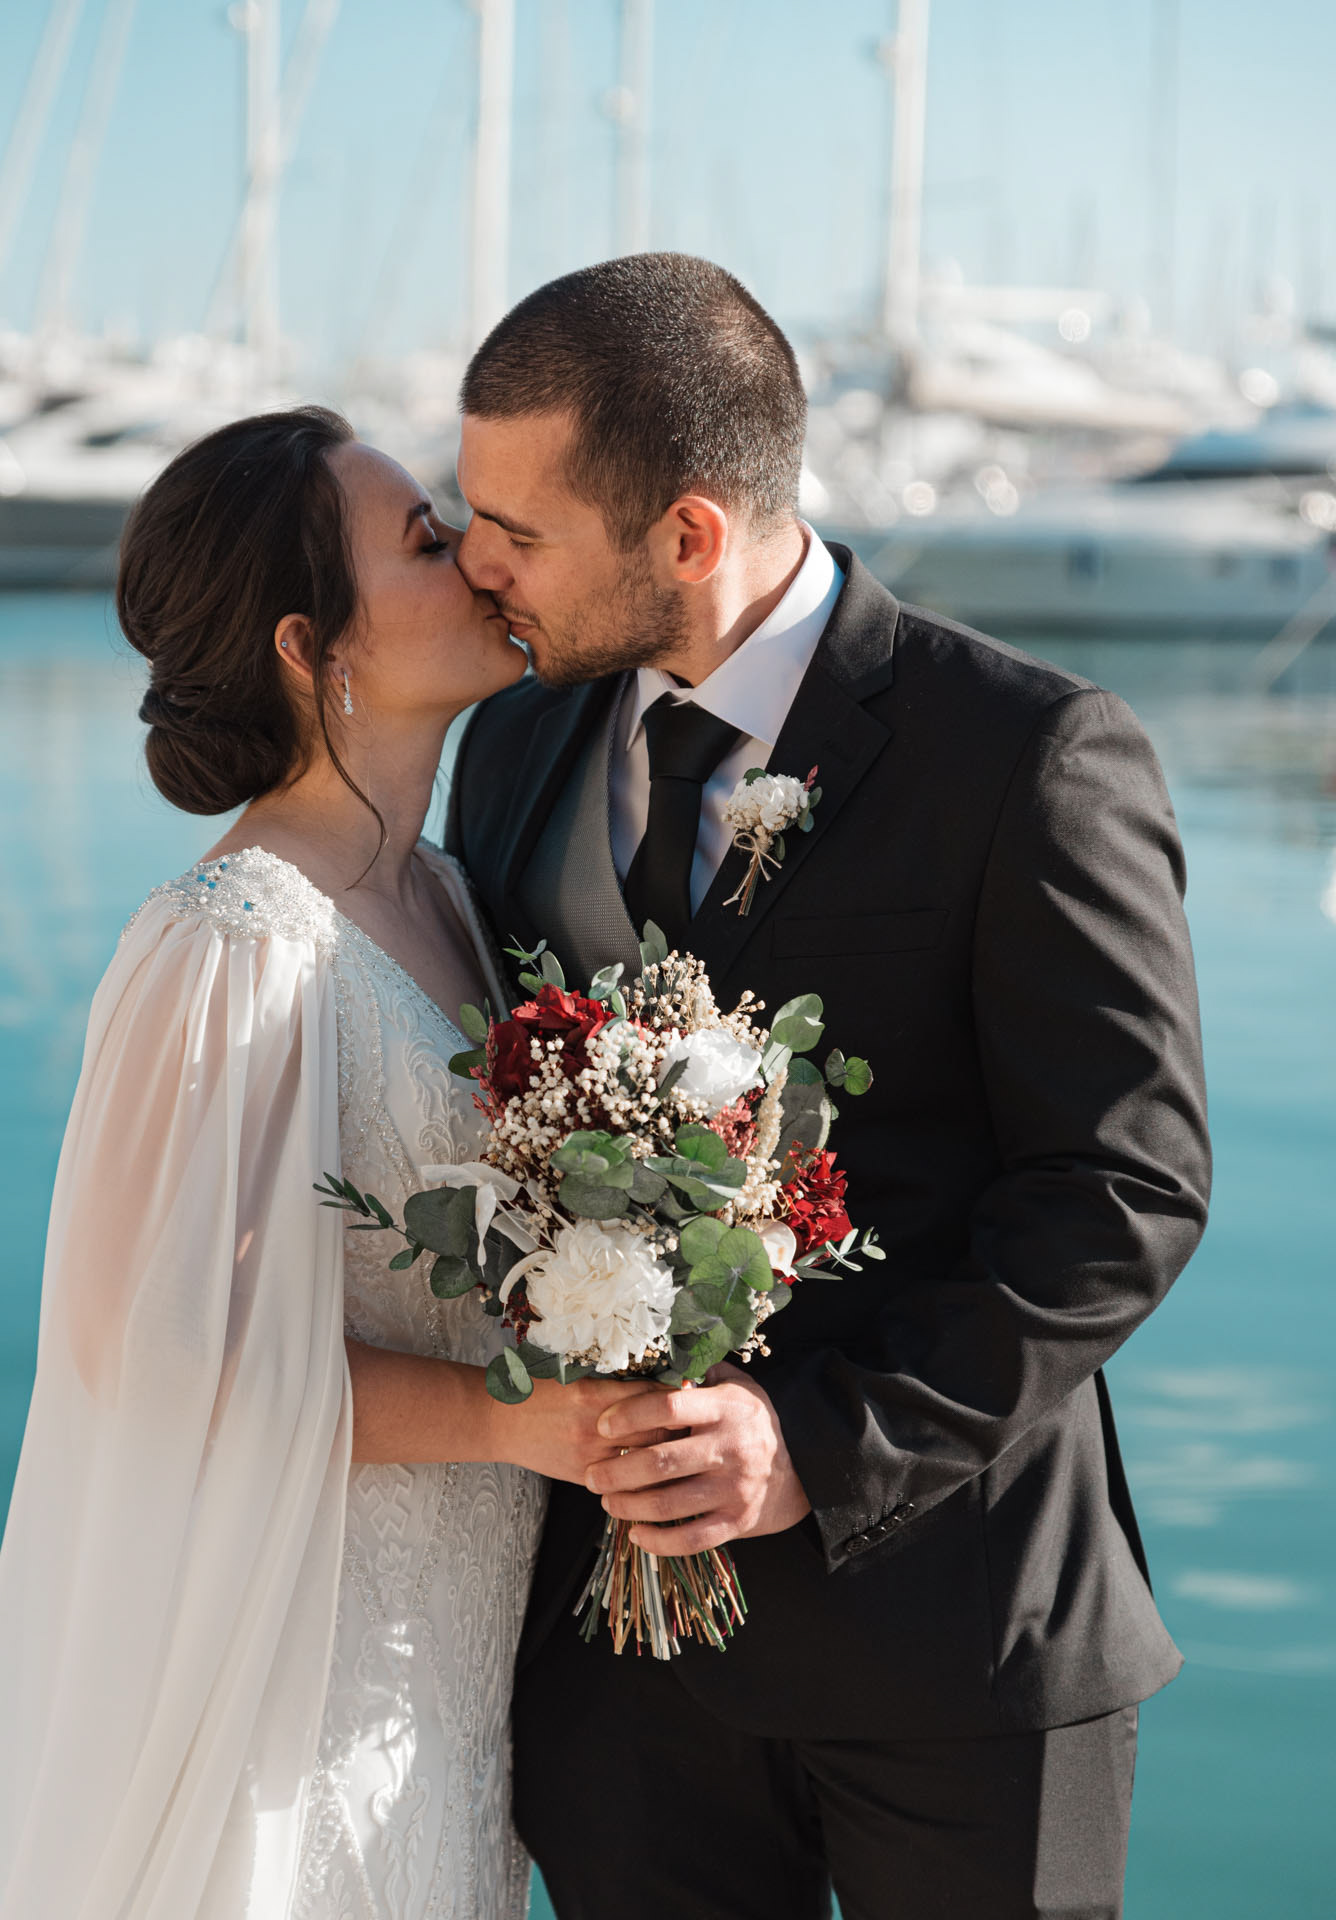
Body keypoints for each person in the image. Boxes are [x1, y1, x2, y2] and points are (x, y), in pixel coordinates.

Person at [447, 254, 1213, 1920]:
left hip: (961, 1645)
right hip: (619, 1675)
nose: (473, 563)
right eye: (464, 512)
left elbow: (1124, 1192)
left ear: (690, 535)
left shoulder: (1028, 751)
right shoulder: (512, 743)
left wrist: (820, 1445)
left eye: (517, 528)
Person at [0, 406, 644, 1920]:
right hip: (293, 1658)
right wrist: (518, 1424)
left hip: (446, 1673)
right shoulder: (232, 939)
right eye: (428, 543)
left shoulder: (453, 895)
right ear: (319, 647)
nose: (482, 561)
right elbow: (153, 1358)